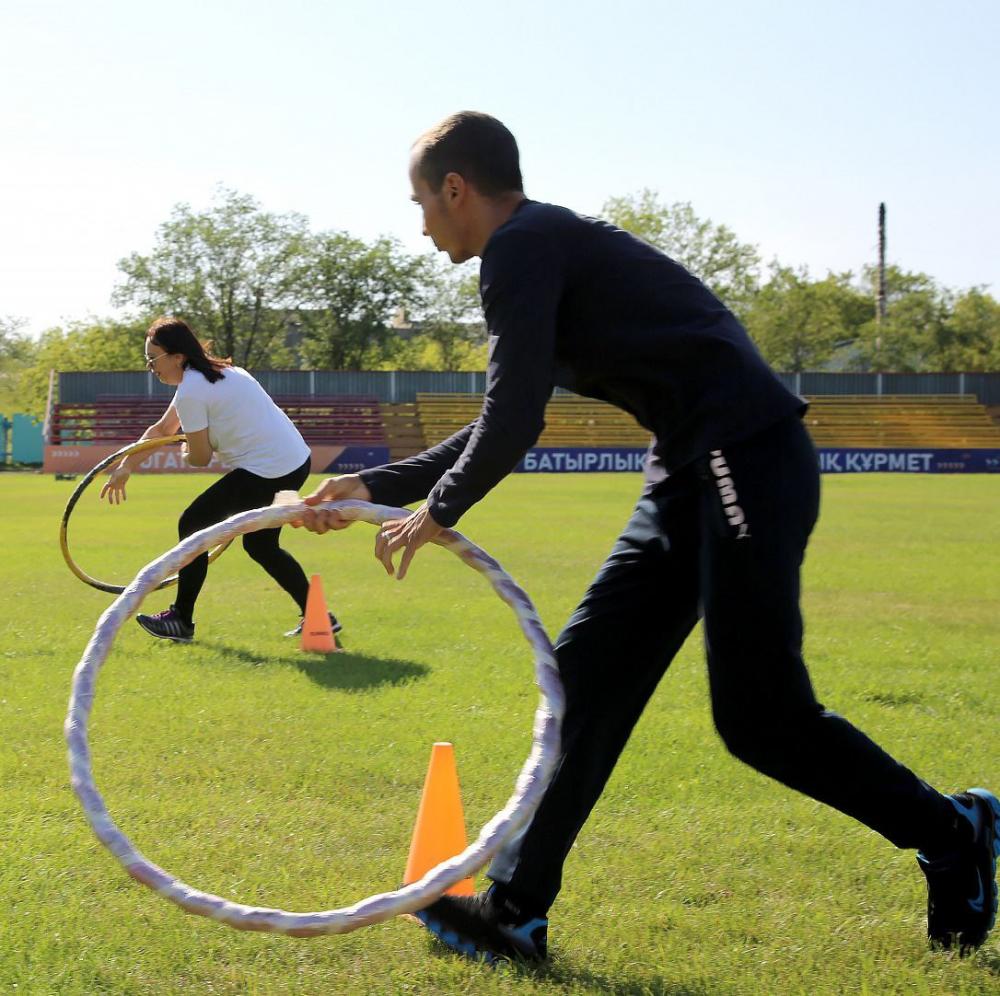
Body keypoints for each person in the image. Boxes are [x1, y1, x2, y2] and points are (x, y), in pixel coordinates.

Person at [299, 112, 998, 962]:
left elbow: (515, 418)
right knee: (582, 680)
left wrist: (437, 509)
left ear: (456, 189)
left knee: (761, 720)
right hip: (688, 470)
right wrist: (374, 485)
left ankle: (953, 831)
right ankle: (515, 910)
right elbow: (503, 414)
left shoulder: (521, 248)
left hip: (743, 456)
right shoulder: (536, 250)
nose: (420, 226)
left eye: (421, 203)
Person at [101, 316, 340, 643]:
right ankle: (319, 616)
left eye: (153, 359)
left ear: (177, 357)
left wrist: (186, 452)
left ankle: (181, 619)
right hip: (295, 462)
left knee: (193, 524)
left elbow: (199, 457)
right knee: (261, 546)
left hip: (268, 469)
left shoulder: (192, 391)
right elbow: (162, 431)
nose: (150, 367)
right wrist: (128, 465)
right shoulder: (222, 373)